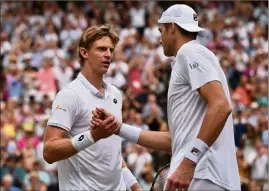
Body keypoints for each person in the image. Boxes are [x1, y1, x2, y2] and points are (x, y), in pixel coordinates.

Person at [91, 5, 241, 191]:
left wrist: (188, 163)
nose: (160, 39)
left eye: (161, 31)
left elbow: (221, 106)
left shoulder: (189, 51)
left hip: (203, 175)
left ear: (172, 27)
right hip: (205, 176)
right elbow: (174, 141)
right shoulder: (192, 57)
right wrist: (118, 128)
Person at [43, 25, 141, 191]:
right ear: (84, 53)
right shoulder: (70, 94)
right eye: (101, 49)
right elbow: (49, 151)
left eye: (111, 49)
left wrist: (134, 185)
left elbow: (113, 152)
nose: (108, 54)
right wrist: (92, 136)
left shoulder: (116, 94)